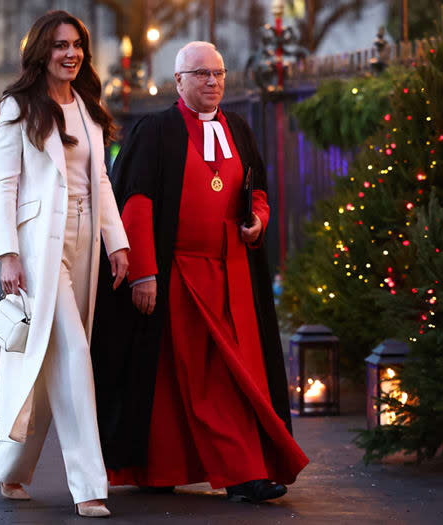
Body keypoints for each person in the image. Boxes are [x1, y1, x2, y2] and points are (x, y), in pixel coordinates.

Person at [92, 41, 308, 503]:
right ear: (179, 82)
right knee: (180, 380)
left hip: (233, 276)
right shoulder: (155, 130)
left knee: (229, 377)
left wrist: (258, 223)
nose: (212, 82)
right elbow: (136, 205)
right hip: (179, 277)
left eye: (218, 73)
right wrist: (144, 275)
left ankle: (243, 469)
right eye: (201, 74)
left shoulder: (240, 130)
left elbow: (259, 193)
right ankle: (177, 469)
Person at [0, 10, 129, 518]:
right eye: (60, 46)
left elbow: (102, 181)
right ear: (42, 52)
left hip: (86, 240)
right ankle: (89, 484)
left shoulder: (89, 109)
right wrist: (8, 254)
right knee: (71, 352)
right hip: (39, 243)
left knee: (53, 354)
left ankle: (11, 467)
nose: (70, 54)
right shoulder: (17, 107)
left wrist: (118, 243)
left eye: (77, 46)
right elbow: (6, 185)